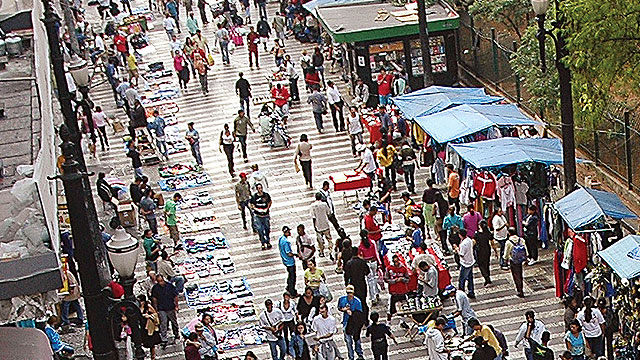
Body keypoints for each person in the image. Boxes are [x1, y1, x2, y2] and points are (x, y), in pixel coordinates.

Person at [151, 273, 179, 346]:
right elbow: (154, 298)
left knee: (174, 322)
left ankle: (176, 334)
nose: (161, 283)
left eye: (161, 281)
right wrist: (156, 308)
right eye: (159, 281)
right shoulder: (155, 288)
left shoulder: (170, 286)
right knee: (163, 323)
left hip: (170, 307)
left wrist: (176, 305)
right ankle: (164, 338)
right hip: (161, 308)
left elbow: (175, 296)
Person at [338, 285, 365, 360]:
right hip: (346, 322)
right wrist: (343, 309)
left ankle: (359, 353)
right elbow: (339, 307)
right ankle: (351, 357)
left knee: (357, 339)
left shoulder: (357, 301)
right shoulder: (342, 299)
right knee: (348, 341)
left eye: (351, 293)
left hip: (355, 323)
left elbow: (359, 314)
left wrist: (352, 313)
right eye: (348, 293)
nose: (350, 294)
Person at [384, 254, 410, 321]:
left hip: (402, 291)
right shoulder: (389, 268)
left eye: (397, 261)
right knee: (391, 309)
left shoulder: (403, 269)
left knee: (404, 308)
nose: (396, 263)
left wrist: (402, 279)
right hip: (394, 292)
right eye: (395, 261)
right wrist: (394, 281)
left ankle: (403, 321)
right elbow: (386, 279)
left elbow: (408, 279)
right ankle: (388, 322)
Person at [504, 227, 528, 298]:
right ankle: (521, 288)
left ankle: (519, 290)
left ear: (509, 233)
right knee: (520, 274)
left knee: (515, 276)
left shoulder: (508, 242)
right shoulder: (521, 240)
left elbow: (506, 254)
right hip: (520, 260)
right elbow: (525, 250)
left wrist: (505, 260)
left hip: (513, 260)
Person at [137, 294, 162, 360]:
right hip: (142, 326)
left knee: (151, 342)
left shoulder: (148, 307)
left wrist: (148, 316)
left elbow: (155, 314)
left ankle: (153, 356)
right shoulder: (138, 308)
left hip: (149, 326)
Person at [251, 183, 273, 249]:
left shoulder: (266, 195)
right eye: (258, 188)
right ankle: (262, 242)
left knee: (267, 228)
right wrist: (256, 209)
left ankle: (268, 241)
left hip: (265, 215)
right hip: (258, 216)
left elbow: (270, 202)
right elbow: (252, 205)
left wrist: (267, 208)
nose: (260, 190)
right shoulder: (254, 197)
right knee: (260, 229)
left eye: (261, 188)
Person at [279, 226, 298, 296]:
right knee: (292, 276)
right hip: (290, 262)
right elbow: (289, 253)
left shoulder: (281, 239)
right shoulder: (286, 242)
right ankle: (292, 291)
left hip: (285, 261)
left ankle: (288, 287)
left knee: (290, 275)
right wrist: (296, 254)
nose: (289, 233)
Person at [475, 220, 494, 286]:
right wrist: (495, 251)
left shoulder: (477, 234)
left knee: (481, 265)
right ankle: (487, 277)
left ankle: (486, 277)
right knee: (486, 264)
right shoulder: (488, 233)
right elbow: (492, 242)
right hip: (487, 249)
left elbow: (474, 242)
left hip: (480, 250)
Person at [458, 228, 476, 298]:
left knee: (462, 279)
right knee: (470, 278)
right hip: (471, 261)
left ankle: (461, 293)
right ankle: (471, 291)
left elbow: (461, 254)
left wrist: (457, 249)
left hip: (465, 263)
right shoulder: (469, 240)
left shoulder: (463, 244)